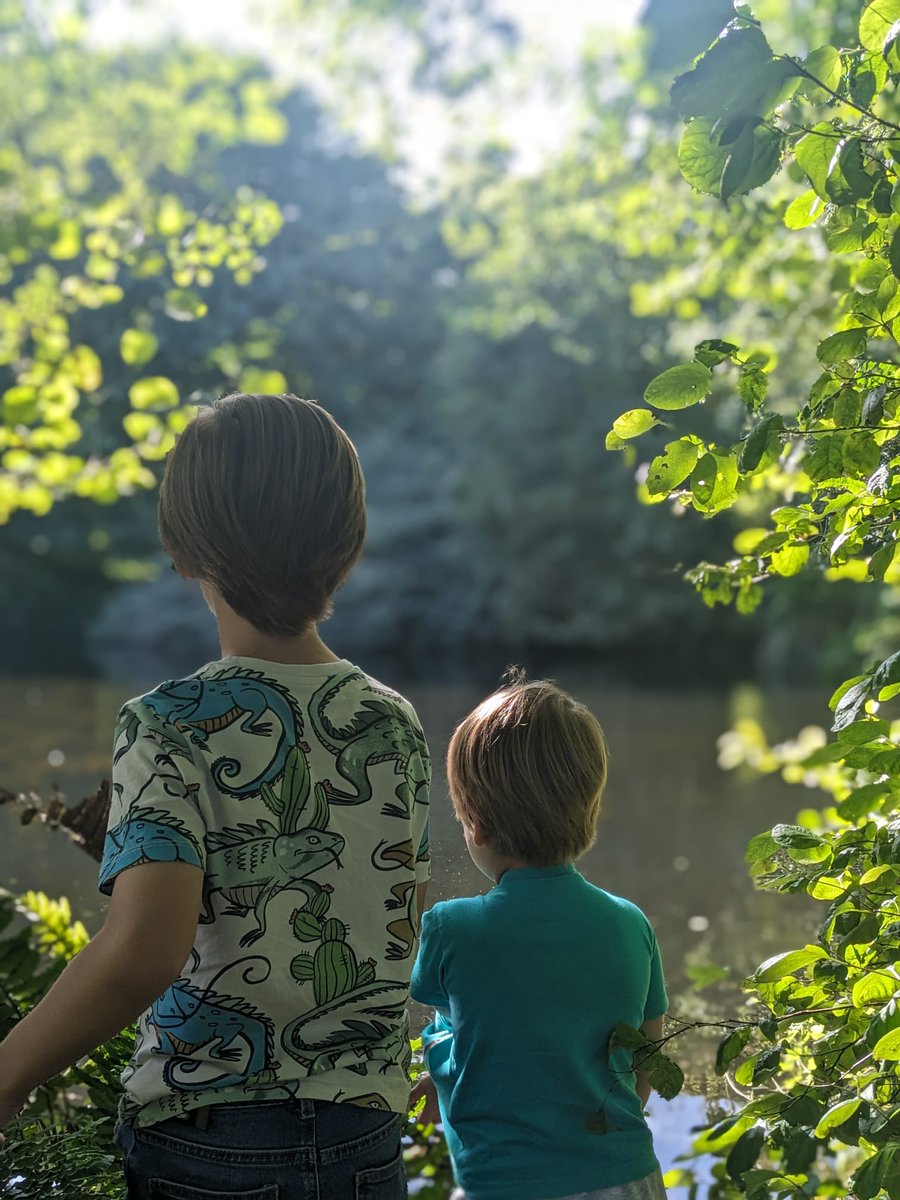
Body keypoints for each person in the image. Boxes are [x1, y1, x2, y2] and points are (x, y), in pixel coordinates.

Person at [0, 393, 431, 1200]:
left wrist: (10, 1071)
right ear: (347, 545)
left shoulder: (168, 724)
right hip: (366, 1136)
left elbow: (144, 954)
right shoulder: (392, 721)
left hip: (215, 1139)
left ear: (184, 549)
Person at [410, 675, 668, 1200]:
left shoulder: (451, 927)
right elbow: (647, 1058)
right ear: (589, 809)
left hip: (503, 1184)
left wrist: (440, 1073)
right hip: (626, 1177)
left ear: (475, 824)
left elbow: (459, 1034)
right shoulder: (629, 923)